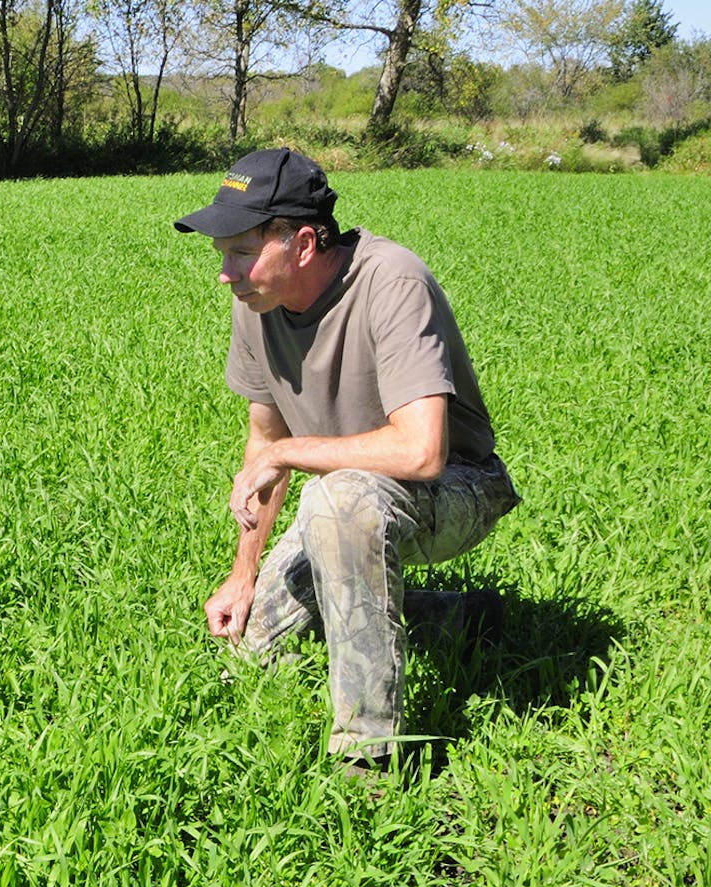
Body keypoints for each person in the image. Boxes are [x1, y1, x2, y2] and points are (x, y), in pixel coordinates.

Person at [173, 148, 520, 775]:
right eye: (222, 253)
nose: (226, 272)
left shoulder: (393, 282)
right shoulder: (255, 304)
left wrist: (288, 454)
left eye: (242, 251)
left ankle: (368, 758)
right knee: (251, 647)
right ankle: (460, 618)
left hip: (456, 488)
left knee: (337, 499)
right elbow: (263, 445)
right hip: (342, 500)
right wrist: (243, 574)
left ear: (303, 243)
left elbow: (422, 451)